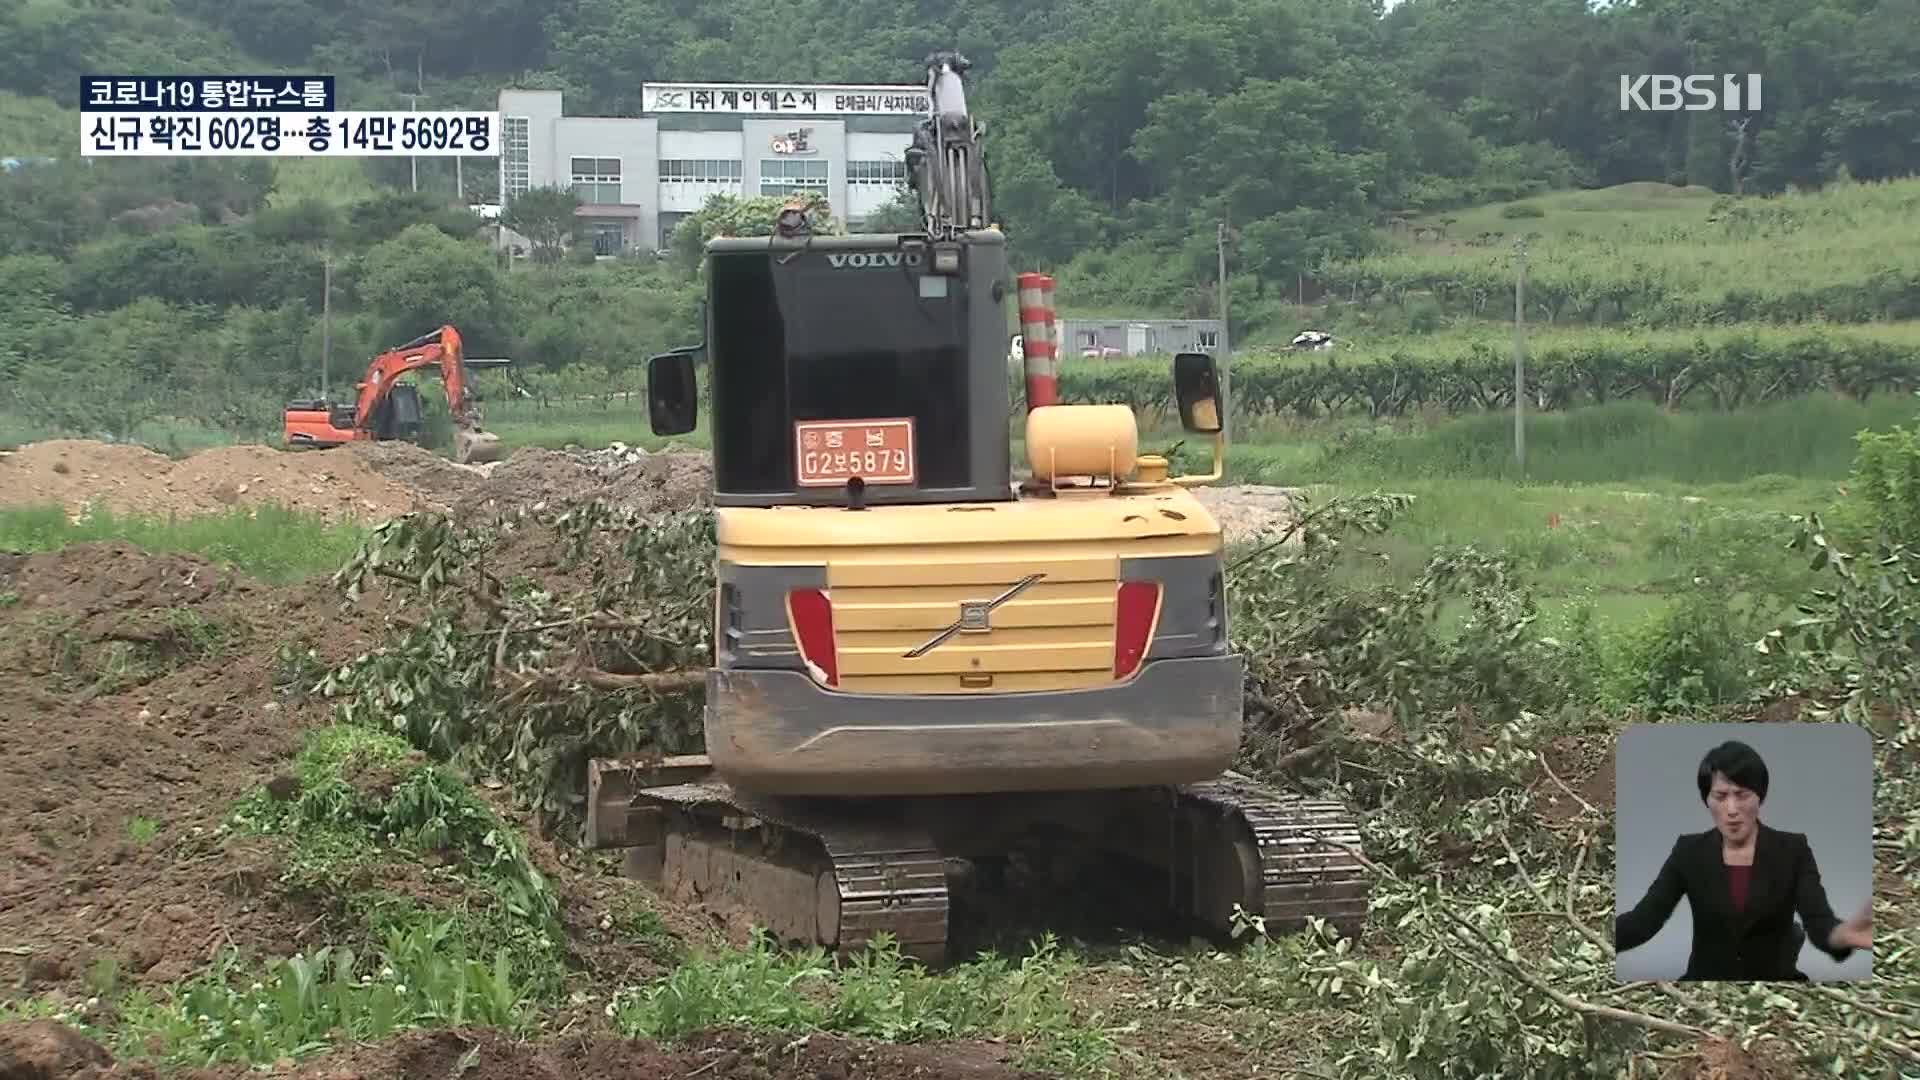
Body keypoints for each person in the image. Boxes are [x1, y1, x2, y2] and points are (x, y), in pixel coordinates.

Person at [1615, 739, 1872, 981]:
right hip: (1705, 985)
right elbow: (1643, 921)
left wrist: (1842, 935)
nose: (1732, 810)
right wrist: (1594, 937)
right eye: (1720, 796)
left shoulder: (1793, 850)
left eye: (1742, 794)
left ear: (1760, 796)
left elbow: (1818, 921)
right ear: (1707, 799)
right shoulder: (1689, 851)